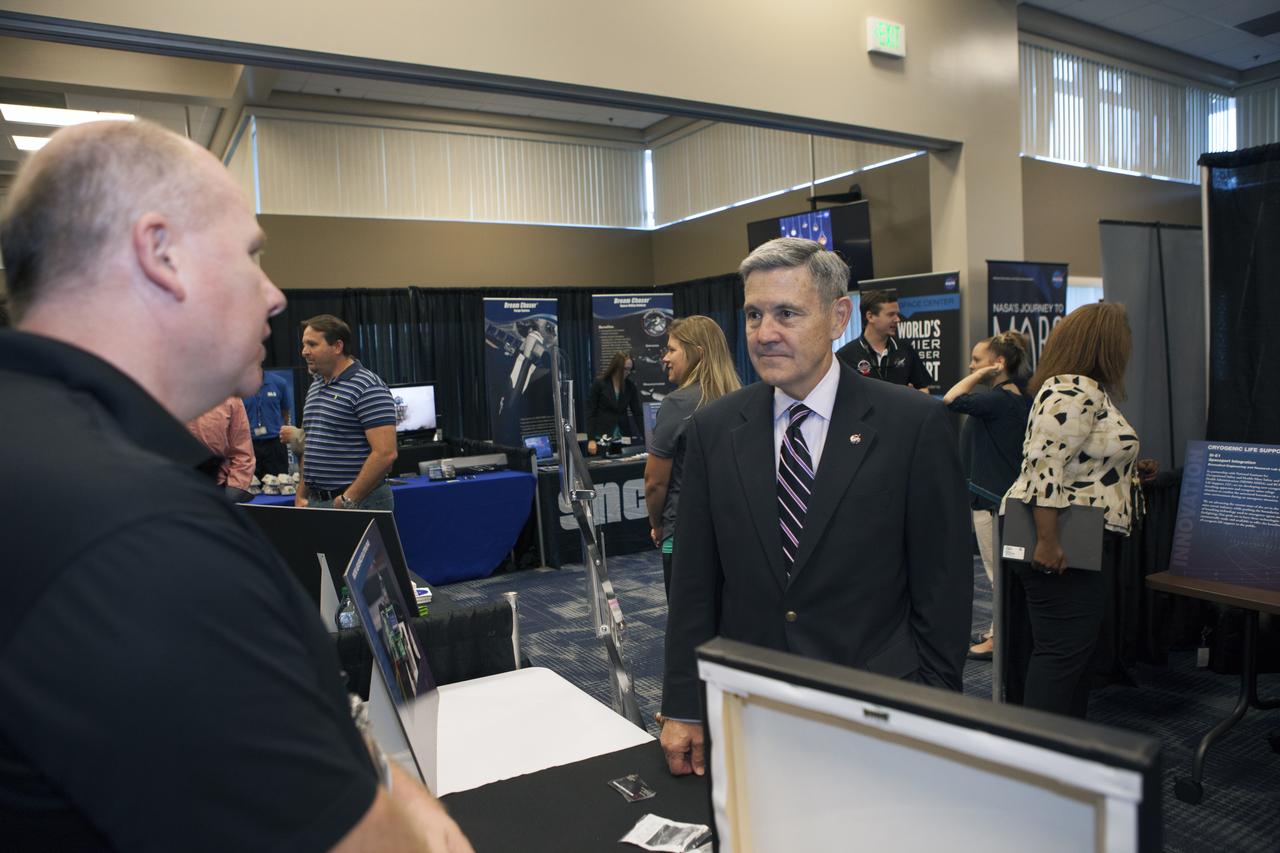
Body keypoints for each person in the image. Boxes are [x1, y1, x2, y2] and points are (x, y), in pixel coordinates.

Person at [0, 119, 473, 852]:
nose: (276, 295)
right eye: (251, 255)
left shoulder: (46, 451)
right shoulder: (144, 538)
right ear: (160, 254)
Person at [660, 238, 972, 776]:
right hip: (750, 707)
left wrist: (935, 703)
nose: (765, 333)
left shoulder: (912, 425)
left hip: (877, 706)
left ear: (838, 316)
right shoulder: (715, 430)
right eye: (754, 315)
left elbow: (943, 584)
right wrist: (685, 705)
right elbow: (694, 584)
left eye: (787, 313)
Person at [1002, 301, 1143, 719]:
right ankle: (1039, 761)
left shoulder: (1086, 390)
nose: (1129, 347)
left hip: (1079, 539)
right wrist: (1047, 541)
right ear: (1104, 343)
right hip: (1061, 542)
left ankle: (1063, 752)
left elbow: (1079, 461)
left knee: (1072, 656)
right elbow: (1043, 466)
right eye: (1125, 338)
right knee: (1061, 656)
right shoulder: (1071, 388)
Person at [943, 331, 1032, 660]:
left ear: (998, 364)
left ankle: (999, 639)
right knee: (999, 573)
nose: (970, 365)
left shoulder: (998, 398)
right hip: (995, 498)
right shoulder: (1012, 396)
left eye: (977, 361)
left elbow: (950, 400)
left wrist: (980, 375)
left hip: (993, 501)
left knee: (996, 574)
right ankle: (1000, 630)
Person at [644, 316, 741, 596]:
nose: (665, 358)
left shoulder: (677, 403)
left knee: (688, 624)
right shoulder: (740, 398)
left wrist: (657, 525)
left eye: (672, 350)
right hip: (734, 532)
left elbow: (654, 482)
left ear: (697, 353)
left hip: (684, 535)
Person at [296, 314, 399, 511]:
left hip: (358, 502)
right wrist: (301, 494)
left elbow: (386, 453)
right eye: (304, 344)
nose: (304, 352)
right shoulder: (317, 384)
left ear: (337, 347)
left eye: (312, 345)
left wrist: (348, 499)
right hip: (319, 502)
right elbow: (312, 444)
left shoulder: (368, 386)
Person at [835, 288, 932, 391]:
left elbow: (923, 388)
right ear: (870, 316)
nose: (897, 319)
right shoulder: (845, 356)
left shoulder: (905, 350)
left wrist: (914, 398)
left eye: (897, 314)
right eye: (891, 314)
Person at [187, 395, 257, 503]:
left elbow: (243, 452)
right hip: (172, 486)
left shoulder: (231, 398)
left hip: (215, 489)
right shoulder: (165, 392)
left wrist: (233, 491)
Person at [585, 350, 645, 455]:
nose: (628, 372)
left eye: (630, 369)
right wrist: (591, 439)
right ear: (616, 367)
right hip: (602, 437)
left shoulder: (630, 386)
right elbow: (591, 412)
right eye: (625, 369)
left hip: (623, 436)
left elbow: (637, 413)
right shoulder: (600, 383)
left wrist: (647, 437)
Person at [244, 369, 294, 477]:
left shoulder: (279, 383)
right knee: (248, 488)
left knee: (279, 485)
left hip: (275, 445)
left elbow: (285, 412)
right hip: (248, 445)